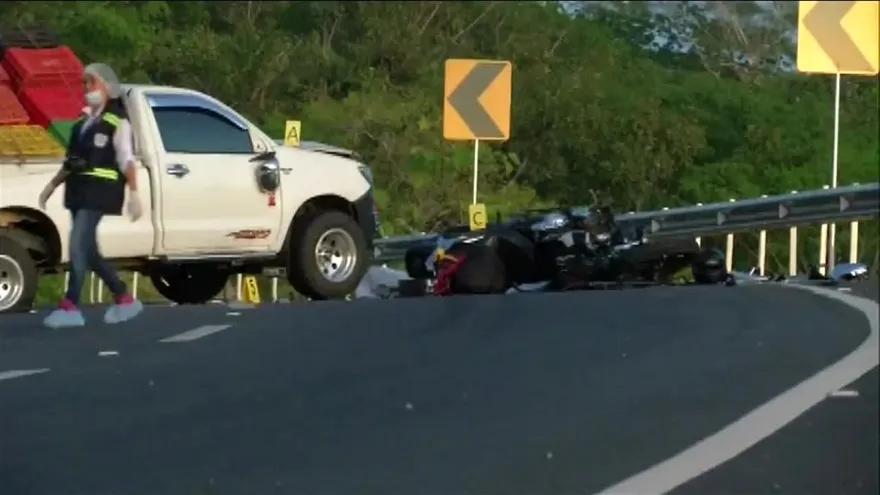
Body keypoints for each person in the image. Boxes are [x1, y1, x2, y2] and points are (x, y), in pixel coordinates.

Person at [38, 62, 144, 328]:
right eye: (84, 83)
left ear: (108, 87)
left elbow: (126, 160)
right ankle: (122, 295)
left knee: (77, 242)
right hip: (78, 191)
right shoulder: (82, 123)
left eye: (92, 83)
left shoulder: (117, 121)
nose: (87, 88)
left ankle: (71, 303)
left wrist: (134, 193)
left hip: (100, 192)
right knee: (89, 250)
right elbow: (71, 161)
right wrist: (51, 186)